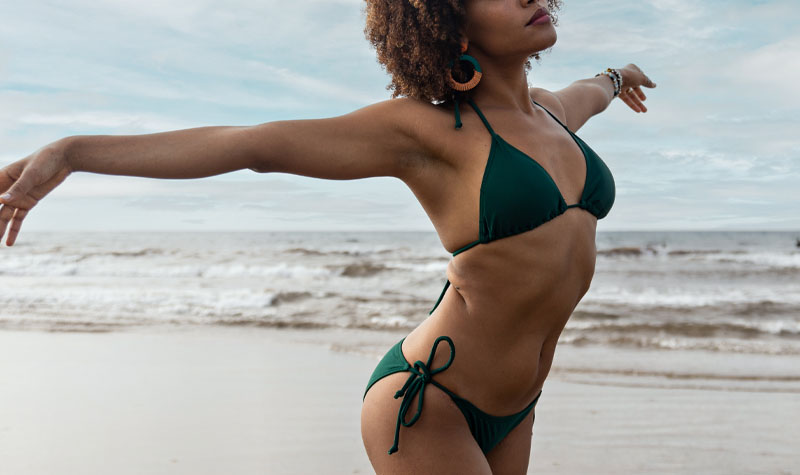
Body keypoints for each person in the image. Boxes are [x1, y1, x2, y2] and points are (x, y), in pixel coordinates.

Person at [0, 0, 656, 473]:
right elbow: (251, 145)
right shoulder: (425, 132)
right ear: (446, 19)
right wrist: (73, 151)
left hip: (518, 402)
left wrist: (616, 75)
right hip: (430, 403)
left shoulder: (551, 112)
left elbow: (590, 91)